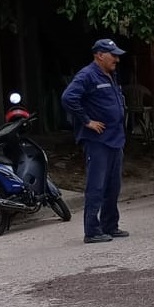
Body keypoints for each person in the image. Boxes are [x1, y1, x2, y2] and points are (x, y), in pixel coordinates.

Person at [61, 39, 130, 244]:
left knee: (113, 186)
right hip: (97, 141)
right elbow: (68, 98)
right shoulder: (87, 75)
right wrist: (87, 121)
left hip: (115, 139)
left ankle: (110, 225)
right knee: (96, 186)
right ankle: (92, 231)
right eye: (113, 55)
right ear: (99, 55)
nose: (117, 59)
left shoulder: (110, 74)